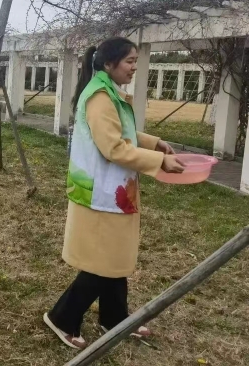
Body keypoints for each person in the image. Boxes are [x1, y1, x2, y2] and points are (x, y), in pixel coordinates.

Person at [43, 37, 185, 350]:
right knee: (101, 263)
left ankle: (115, 318)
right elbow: (113, 147)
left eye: (136, 60)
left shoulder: (107, 92)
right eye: (130, 61)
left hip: (111, 190)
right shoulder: (99, 98)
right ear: (109, 64)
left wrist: (153, 142)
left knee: (115, 258)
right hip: (101, 193)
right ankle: (62, 317)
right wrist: (160, 161)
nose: (135, 67)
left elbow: (120, 131)